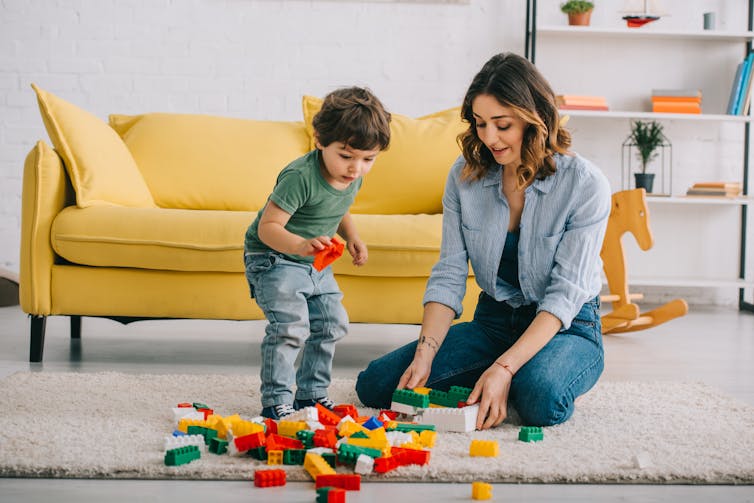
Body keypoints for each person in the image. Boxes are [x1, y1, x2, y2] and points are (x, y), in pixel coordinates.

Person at [355, 53, 611, 430]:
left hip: (568, 326)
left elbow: (565, 295)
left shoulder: (585, 184)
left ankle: (513, 377)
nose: (489, 138)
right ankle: (494, 378)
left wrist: (504, 367)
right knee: (377, 384)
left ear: (532, 118)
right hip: (494, 323)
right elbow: (449, 273)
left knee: (538, 397)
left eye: (502, 125)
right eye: (480, 124)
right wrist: (426, 354)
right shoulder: (464, 178)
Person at [245, 87, 391, 420]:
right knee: (291, 326)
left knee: (331, 323)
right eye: (346, 155)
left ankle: (310, 395)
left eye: (368, 159)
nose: (356, 168)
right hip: (274, 258)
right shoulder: (300, 177)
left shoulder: (351, 177)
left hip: (314, 261)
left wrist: (352, 236)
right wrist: (298, 246)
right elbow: (269, 227)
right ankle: (276, 401)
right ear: (319, 141)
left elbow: (338, 208)